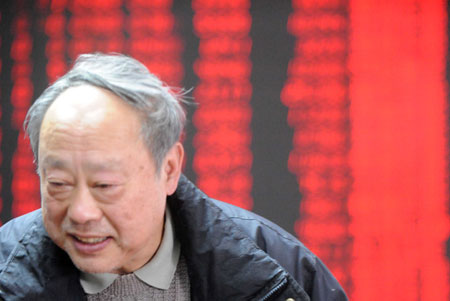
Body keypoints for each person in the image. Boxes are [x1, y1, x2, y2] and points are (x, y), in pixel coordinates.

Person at [0, 53, 347, 300]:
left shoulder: (275, 268)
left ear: (168, 170)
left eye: (104, 186)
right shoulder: (6, 269)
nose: (80, 213)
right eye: (58, 184)